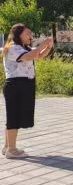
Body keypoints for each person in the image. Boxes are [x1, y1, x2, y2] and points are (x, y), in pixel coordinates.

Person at [2, 24, 53, 159]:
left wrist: (48, 47)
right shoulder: (13, 48)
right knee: (13, 117)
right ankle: (12, 150)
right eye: (27, 33)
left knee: (14, 116)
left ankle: (7, 146)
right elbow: (30, 56)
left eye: (31, 33)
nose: (30, 36)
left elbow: (38, 55)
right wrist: (43, 44)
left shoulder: (23, 48)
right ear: (18, 35)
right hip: (16, 85)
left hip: (23, 85)